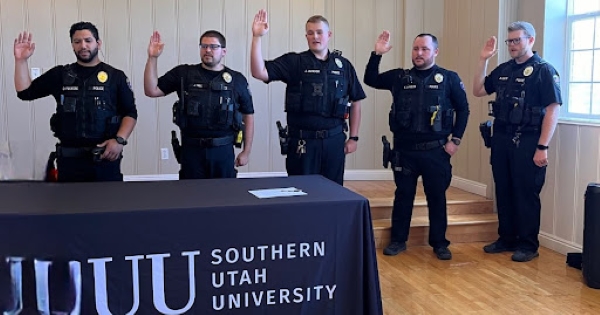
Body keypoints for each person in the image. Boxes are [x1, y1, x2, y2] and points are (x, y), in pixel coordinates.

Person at [364, 31, 470, 260]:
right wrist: (377, 54)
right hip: (404, 151)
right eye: (416, 49)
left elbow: (464, 109)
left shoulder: (449, 78)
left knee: (436, 197)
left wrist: (456, 141)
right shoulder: (400, 77)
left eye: (424, 49)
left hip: (436, 150)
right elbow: (371, 79)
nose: (419, 53)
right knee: (403, 196)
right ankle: (398, 240)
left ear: (435, 51)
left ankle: (439, 243)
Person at [472, 21, 561, 262]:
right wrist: (483, 60)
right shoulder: (503, 70)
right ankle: (506, 238)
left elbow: (552, 110)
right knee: (504, 189)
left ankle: (528, 244)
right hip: (501, 138)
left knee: (526, 193)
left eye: (517, 40)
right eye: (509, 41)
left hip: (529, 139)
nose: (512, 45)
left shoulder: (544, 71)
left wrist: (542, 146)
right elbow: (478, 90)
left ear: (530, 40)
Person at [250, 9, 366, 185]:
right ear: (306, 36)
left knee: (334, 193)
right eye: (310, 33)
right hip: (302, 142)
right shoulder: (294, 62)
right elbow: (259, 72)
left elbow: (356, 100)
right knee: (301, 192)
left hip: (334, 141)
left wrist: (354, 137)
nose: (315, 36)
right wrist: (257, 37)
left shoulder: (343, 66)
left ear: (329, 35)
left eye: (319, 32)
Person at [14, 21, 137, 182]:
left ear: (98, 44)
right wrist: (21, 61)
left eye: (88, 40)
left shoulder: (116, 77)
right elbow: (25, 93)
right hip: (69, 161)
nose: (83, 46)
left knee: (108, 204)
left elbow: (130, 112)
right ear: (72, 45)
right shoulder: (60, 75)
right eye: (77, 42)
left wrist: (119, 140)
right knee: (69, 206)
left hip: (105, 158)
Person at [144, 30, 254, 179]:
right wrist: (152, 58)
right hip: (192, 151)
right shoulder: (183, 74)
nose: (208, 50)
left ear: (224, 51)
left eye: (214, 46)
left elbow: (248, 115)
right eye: (204, 46)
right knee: (191, 198)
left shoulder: (237, 80)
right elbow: (152, 90)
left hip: (223, 150)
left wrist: (246, 151)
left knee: (225, 197)